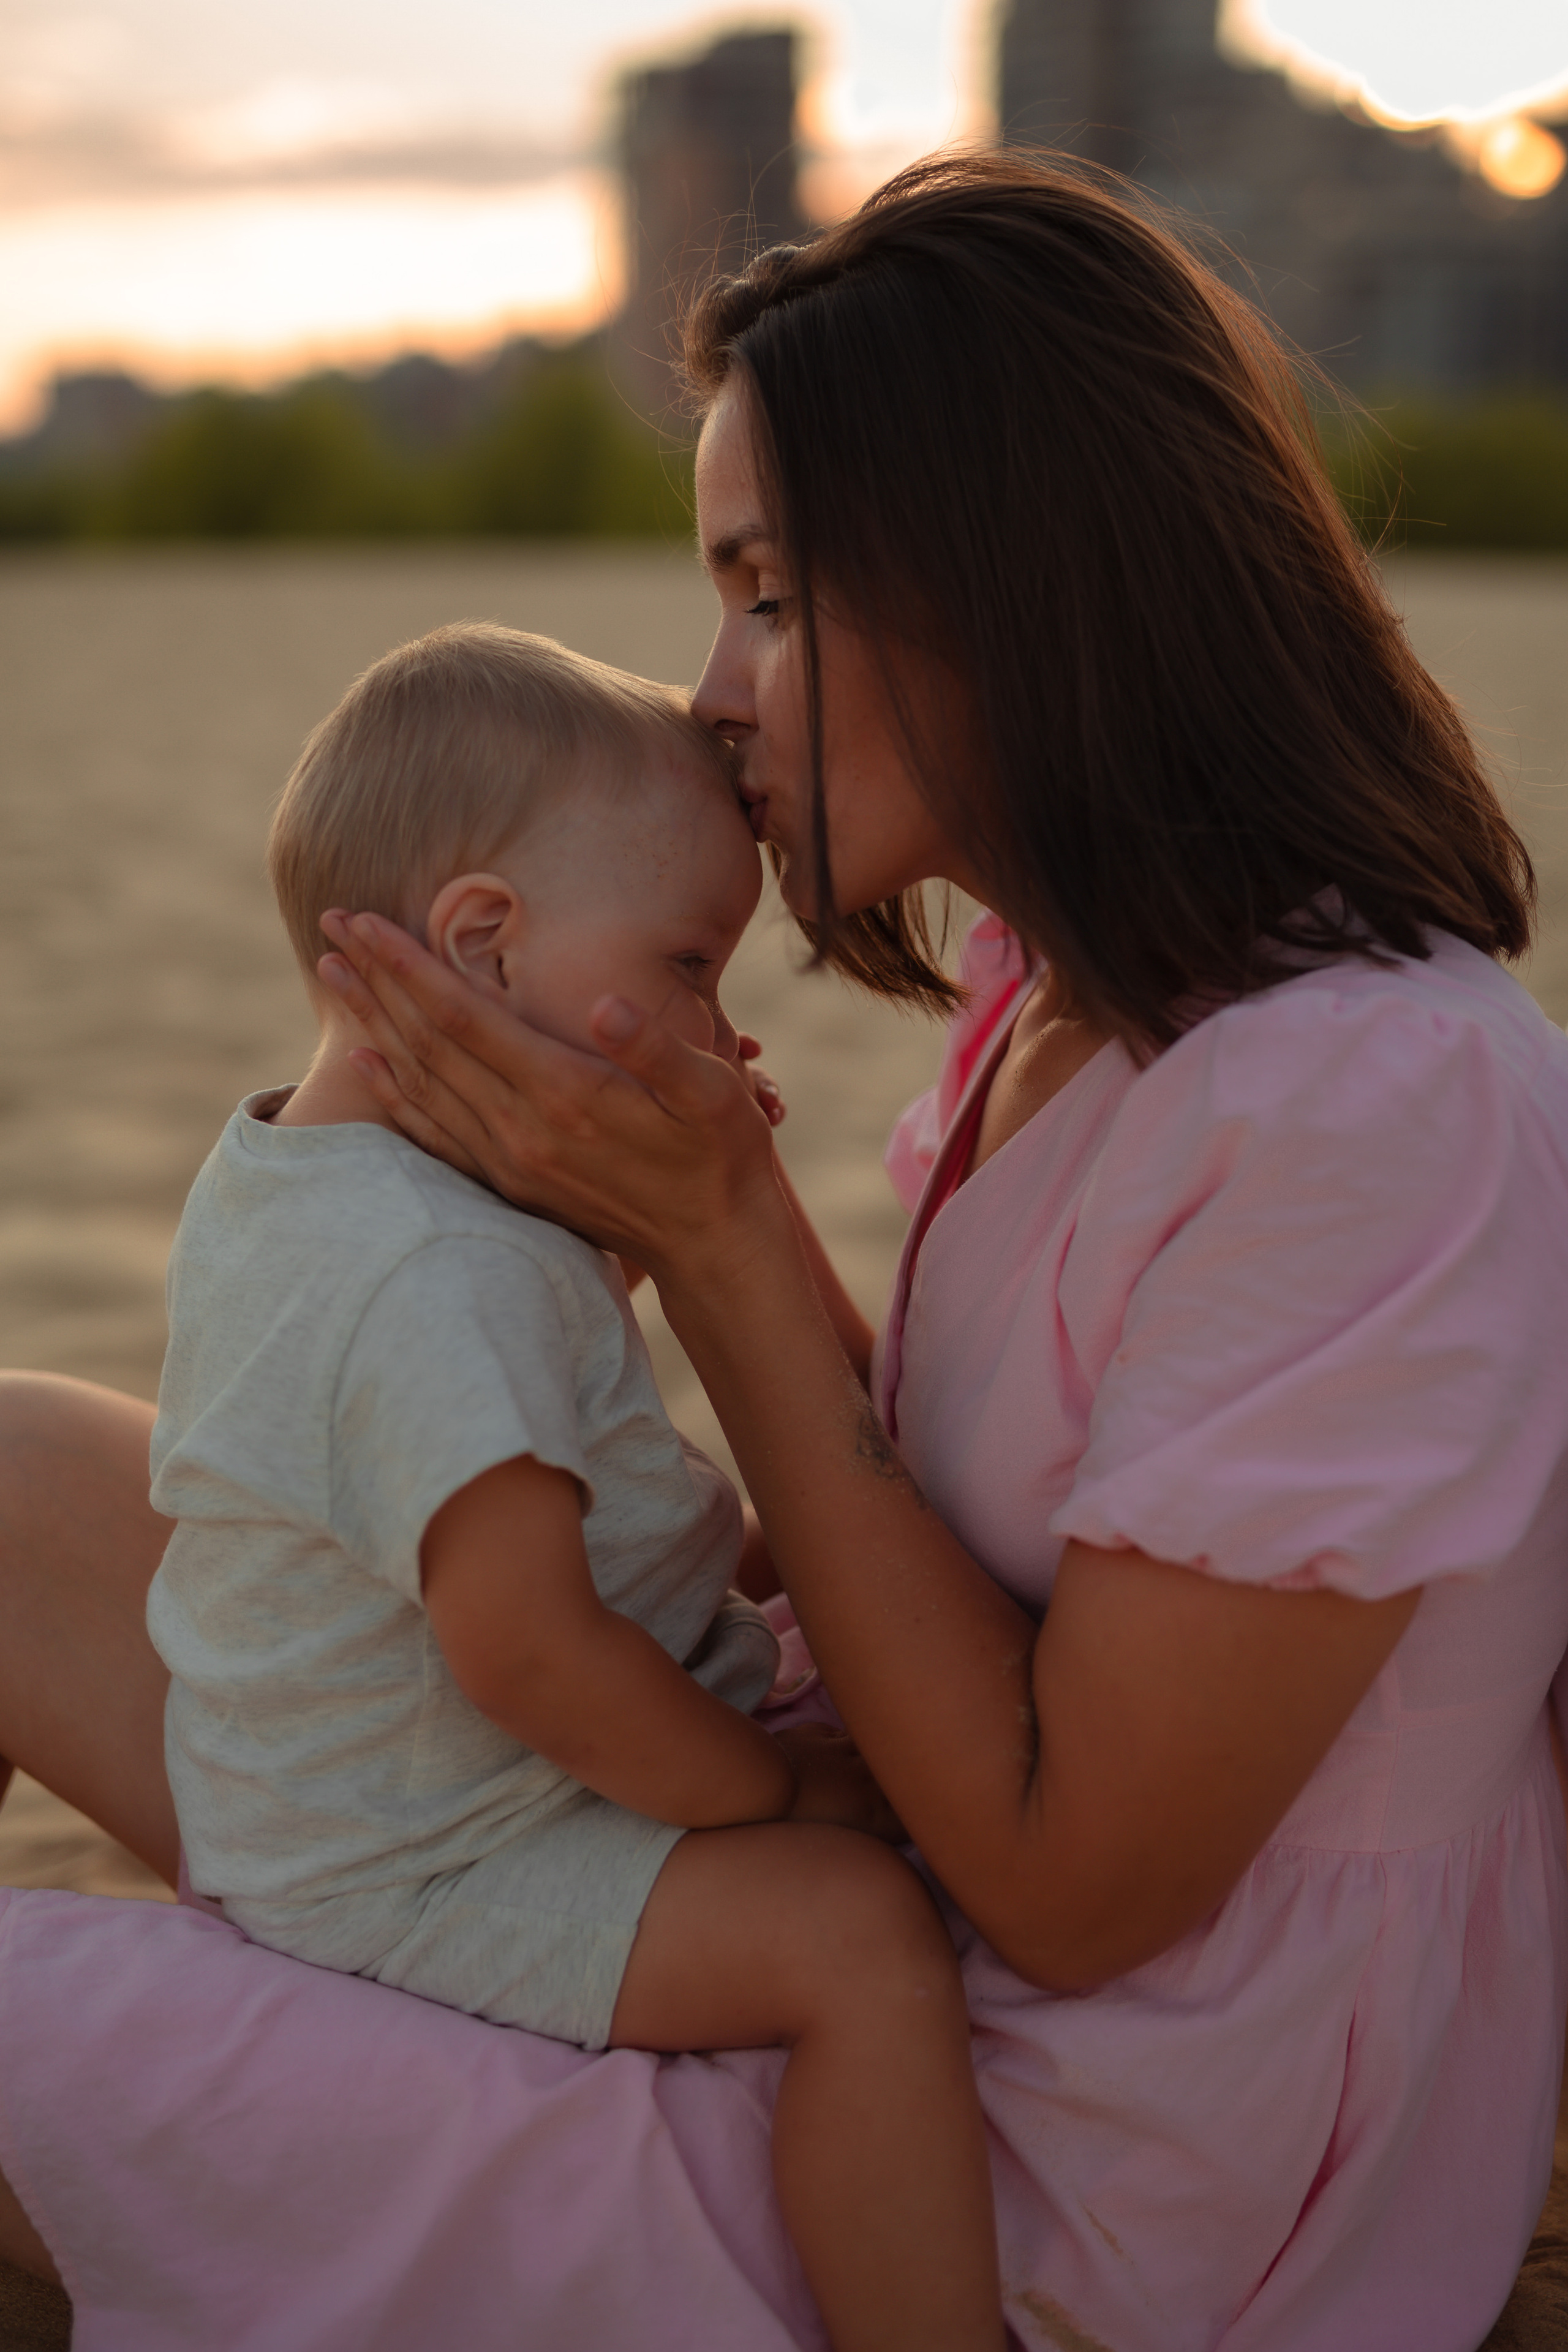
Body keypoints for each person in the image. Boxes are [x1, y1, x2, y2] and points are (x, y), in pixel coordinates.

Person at [1, 149, 1566, 2352]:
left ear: (1020, 580)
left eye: (767, 591)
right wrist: (604, 1210)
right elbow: (907, 1480)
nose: (712, 694)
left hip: (1027, 2151)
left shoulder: (1382, 1105)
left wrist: (721, 1237)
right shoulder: (1068, 997)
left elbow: (1075, 1886)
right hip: (827, 1875)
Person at [147, 621, 1003, 2352]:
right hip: (432, 1852)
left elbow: (557, 1489)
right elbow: (529, 1653)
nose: (714, 1018)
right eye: (689, 964)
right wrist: (764, 1800)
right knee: (859, 1939)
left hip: (395, 1777)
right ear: (483, 942)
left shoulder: (326, 1184)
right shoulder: (425, 1282)